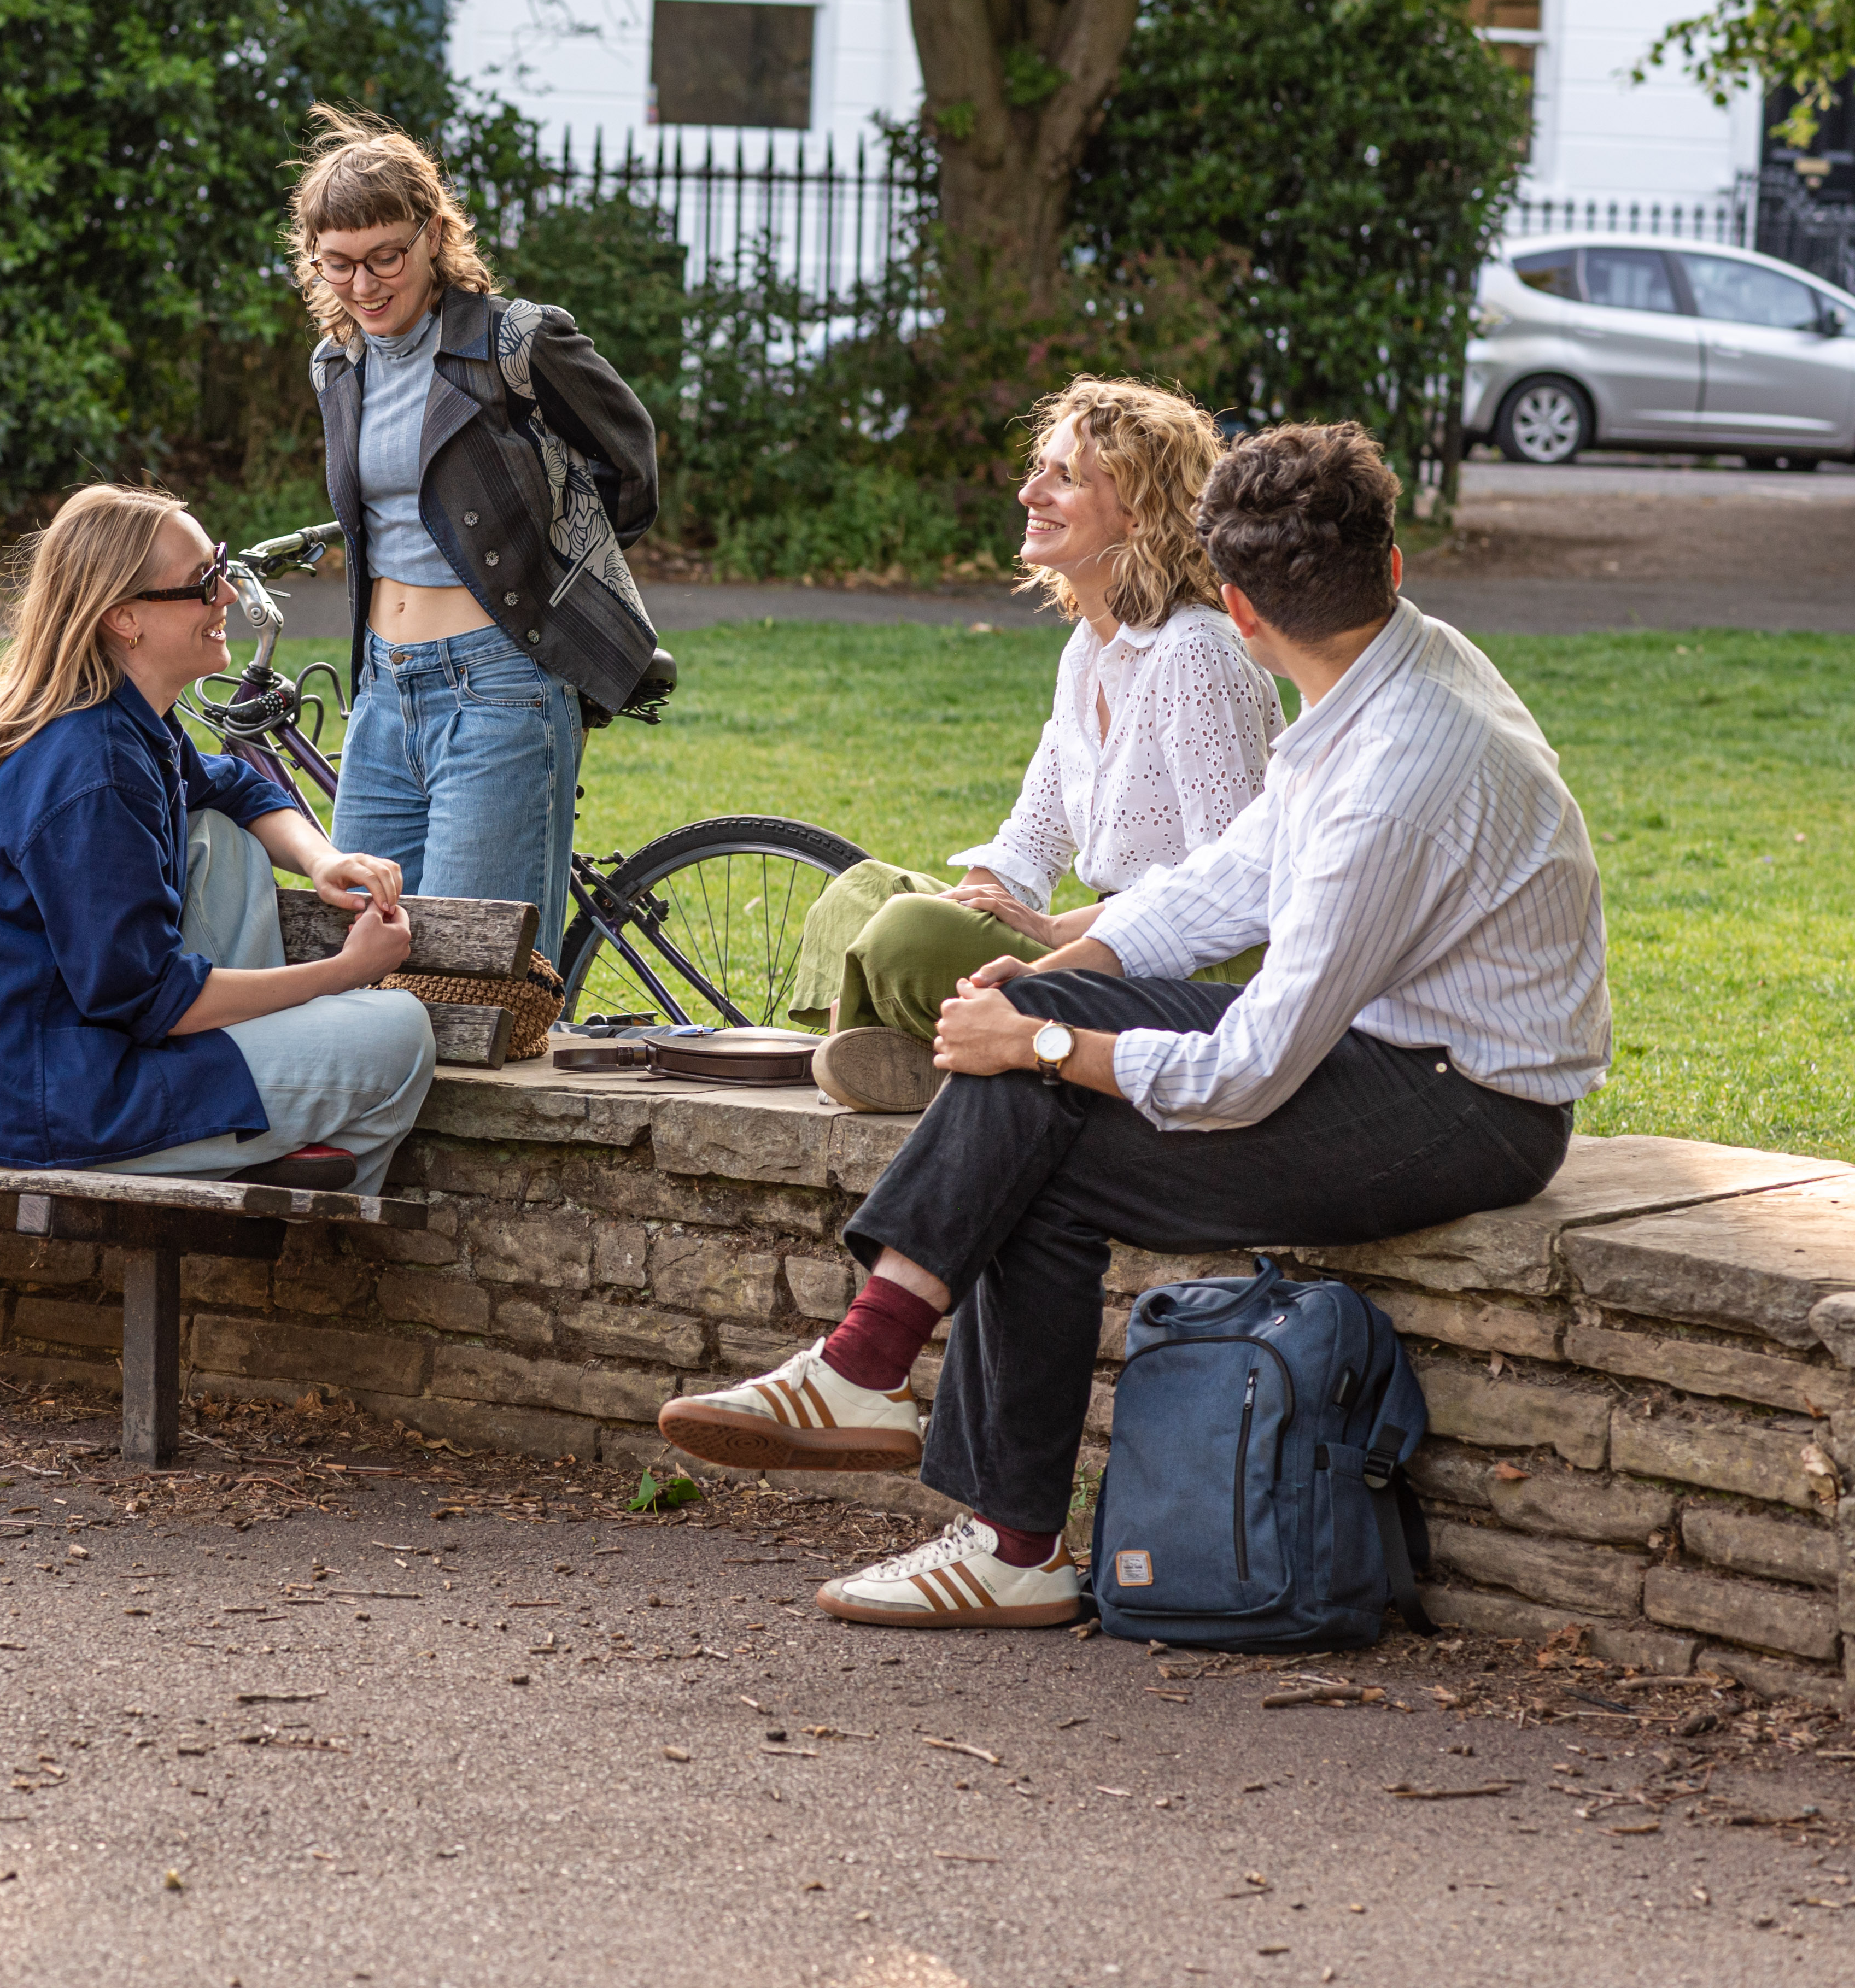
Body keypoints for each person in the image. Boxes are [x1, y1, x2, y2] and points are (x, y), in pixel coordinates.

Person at [654, 423, 1608, 1629]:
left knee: (1040, 1148)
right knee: (1032, 1032)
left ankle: (963, 1483)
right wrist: (1068, 966)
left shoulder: (1397, 779)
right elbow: (1232, 874)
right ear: (1394, 567)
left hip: (1466, 1107)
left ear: (1238, 613)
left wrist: (1046, 1048)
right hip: (1388, 1048)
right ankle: (887, 1392)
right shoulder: (1390, 670)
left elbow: (1252, 1069)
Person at [0, 485, 437, 1198]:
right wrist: (345, 971)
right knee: (401, 1033)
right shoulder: (97, 773)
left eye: (219, 568)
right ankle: (281, 1225)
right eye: (205, 582)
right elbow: (153, 1000)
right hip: (41, 1109)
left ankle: (249, 1140)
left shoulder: (118, 721)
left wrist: (324, 860)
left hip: (27, 1076)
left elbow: (232, 787)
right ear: (126, 619)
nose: (227, 599)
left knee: (220, 834)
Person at [787, 378, 1285, 1113]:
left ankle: (934, 1071)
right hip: (1108, 946)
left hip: (1188, 974)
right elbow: (1033, 837)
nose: (1030, 494)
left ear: (1142, 515)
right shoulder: (1088, 652)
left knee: (905, 934)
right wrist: (973, 900)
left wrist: (1060, 932)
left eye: (1067, 479)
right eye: (1039, 470)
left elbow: (1232, 888)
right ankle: (910, 1065)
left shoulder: (1196, 656)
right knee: (863, 894)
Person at [288, 109, 660, 967]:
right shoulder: (335, 364)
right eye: (338, 263)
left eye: (388, 255)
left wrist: (554, 579)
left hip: (502, 683)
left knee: (472, 968)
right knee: (365, 957)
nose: (366, 283)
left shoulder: (514, 341)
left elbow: (629, 466)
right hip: (382, 692)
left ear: (433, 234)